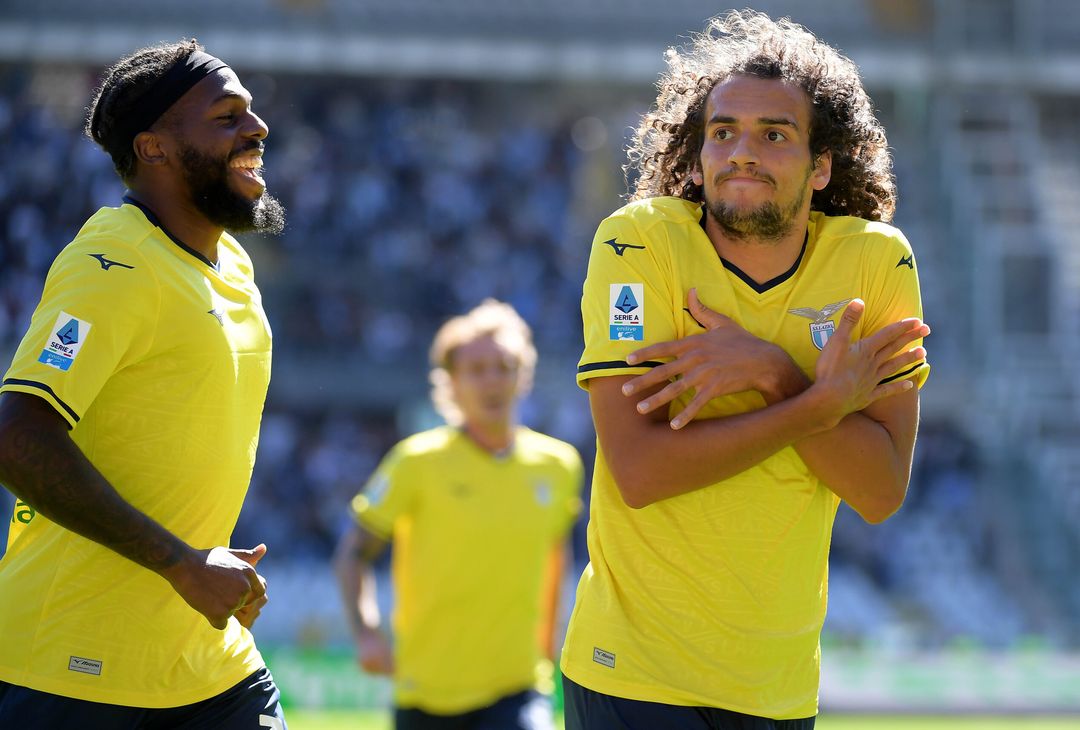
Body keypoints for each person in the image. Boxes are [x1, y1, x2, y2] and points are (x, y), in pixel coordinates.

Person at [561, 10, 930, 730]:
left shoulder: (878, 261)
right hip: (629, 673)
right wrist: (815, 404)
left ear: (823, 166)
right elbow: (639, 472)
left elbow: (881, 490)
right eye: (722, 132)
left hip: (777, 687)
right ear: (695, 158)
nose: (741, 151)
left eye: (774, 134)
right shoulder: (639, 244)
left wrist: (771, 372)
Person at [0, 40, 288, 728]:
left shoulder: (234, 267)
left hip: (207, 661)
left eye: (250, 112)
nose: (258, 129)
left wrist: (200, 559)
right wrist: (180, 563)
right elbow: (16, 435)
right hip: (74, 667)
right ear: (154, 148)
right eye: (226, 116)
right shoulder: (112, 264)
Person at [334, 299, 583, 730]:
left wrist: (549, 642)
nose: (493, 381)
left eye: (505, 367)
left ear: (523, 376)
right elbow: (353, 553)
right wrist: (367, 633)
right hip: (426, 693)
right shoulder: (415, 462)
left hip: (518, 686)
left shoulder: (559, 465)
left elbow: (555, 553)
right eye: (477, 369)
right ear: (450, 383)